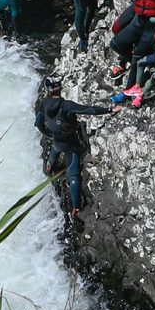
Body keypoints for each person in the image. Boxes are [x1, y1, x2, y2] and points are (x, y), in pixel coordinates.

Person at [35, 76, 111, 213]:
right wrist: (110, 110)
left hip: (57, 140)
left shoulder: (44, 104)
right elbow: (89, 110)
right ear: (60, 88)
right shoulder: (66, 106)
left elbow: (39, 123)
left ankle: (49, 166)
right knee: (74, 173)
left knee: (56, 148)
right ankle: (76, 206)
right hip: (71, 143)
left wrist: (49, 133)